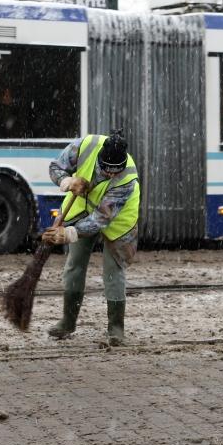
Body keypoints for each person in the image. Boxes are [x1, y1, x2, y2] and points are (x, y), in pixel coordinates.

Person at [42, 129, 141, 346]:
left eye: (116, 172)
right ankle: (68, 322)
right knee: (74, 265)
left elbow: (101, 219)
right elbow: (55, 167)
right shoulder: (85, 146)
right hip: (81, 210)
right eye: (107, 171)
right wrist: (68, 182)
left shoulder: (127, 180)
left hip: (118, 223)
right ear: (100, 160)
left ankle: (116, 329)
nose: (111, 176)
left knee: (113, 271)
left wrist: (68, 233)